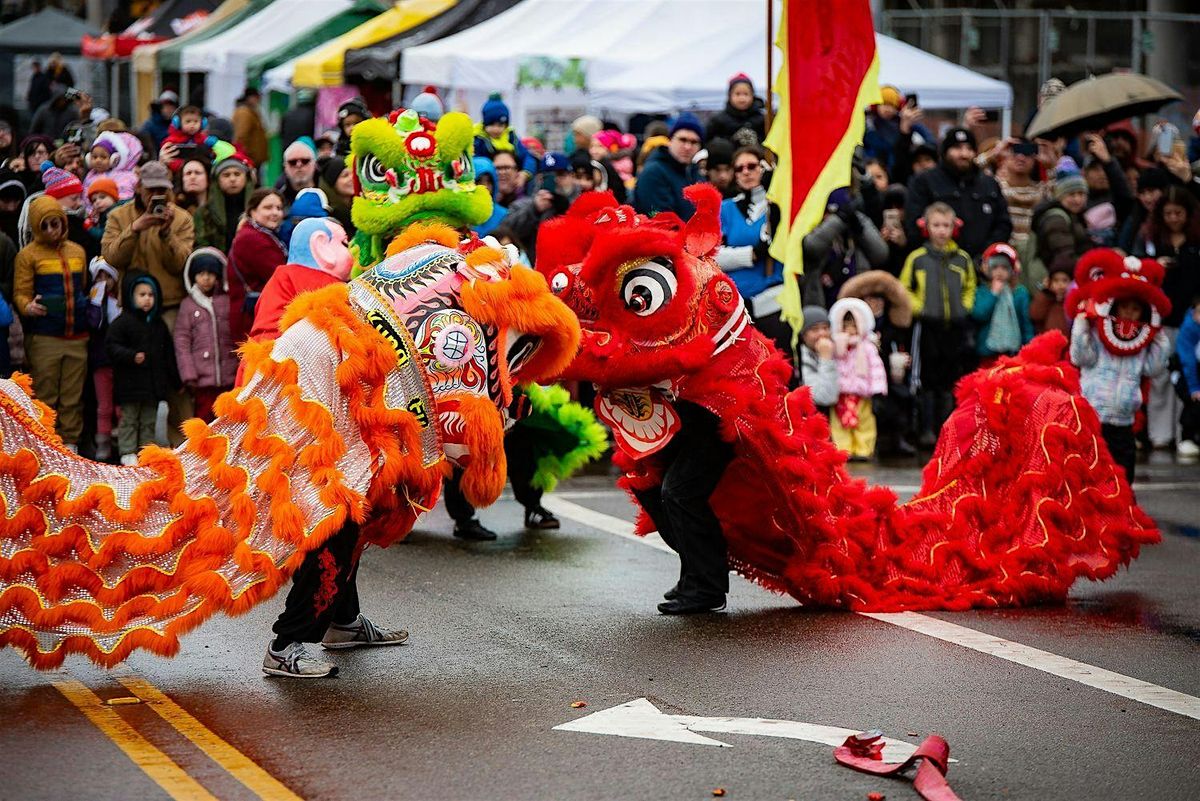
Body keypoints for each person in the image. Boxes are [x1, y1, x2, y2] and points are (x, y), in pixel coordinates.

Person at [1070, 266, 1169, 483]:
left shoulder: (1142, 341)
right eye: (1124, 307)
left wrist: (1157, 334)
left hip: (1124, 422)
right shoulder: (1097, 332)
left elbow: (1154, 368)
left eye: (1135, 309)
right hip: (1093, 416)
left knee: (1123, 478)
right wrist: (1081, 323)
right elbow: (1079, 358)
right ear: (1115, 306)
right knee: (1090, 476)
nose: (1129, 313)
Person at [13, 196, 89, 450]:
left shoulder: (77, 251)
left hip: (77, 336)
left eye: (54, 224)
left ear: (63, 222)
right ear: (35, 227)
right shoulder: (28, 255)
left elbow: (84, 286)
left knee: (72, 396)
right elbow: (20, 293)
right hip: (45, 337)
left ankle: (71, 445)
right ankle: (45, 445)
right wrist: (28, 307)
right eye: (43, 226)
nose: (50, 230)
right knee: (45, 395)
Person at [899, 201, 976, 447]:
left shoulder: (962, 259)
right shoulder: (918, 258)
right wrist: (919, 308)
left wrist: (964, 308)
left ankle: (947, 428)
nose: (941, 230)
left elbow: (970, 287)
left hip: (954, 327)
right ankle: (926, 430)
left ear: (954, 227)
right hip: (926, 327)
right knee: (926, 380)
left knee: (950, 379)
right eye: (936, 225)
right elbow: (904, 288)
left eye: (946, 225)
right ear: (926, 227)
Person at [1134, 185, 1200, 451]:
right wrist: (1153, 266)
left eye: (1179, 213)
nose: (1174, 218)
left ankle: (1183, 431)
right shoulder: (1152, 241)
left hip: (1190, 321)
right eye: (1169, 213)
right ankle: (1159, 434)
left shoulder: (1196, 244)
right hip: (1159, 320)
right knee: (1160, 375)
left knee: (1187, 375)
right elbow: (1135, 269)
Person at [716, 145, 790, 359]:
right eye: (739, 169)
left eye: (751, 166)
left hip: (773, 300)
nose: (746, 172)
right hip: (736, 308)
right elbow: (712, 255)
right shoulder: (725, 208)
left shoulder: (778, 204)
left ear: (763, 168)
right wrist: (752, 254)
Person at [904, 126, 1011, 264]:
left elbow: (1003, 224)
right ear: (945, 151)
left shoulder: (988, 183)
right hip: (937, 264)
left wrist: (986, 255)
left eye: (969, 149)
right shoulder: (924, 181)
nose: (964, 154)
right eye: (957, 148)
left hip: (982, 265)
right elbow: (914, 224)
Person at [107, 274, 179, 465]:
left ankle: (146, 452)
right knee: (129, 419)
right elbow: (112, 346)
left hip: (152, 386)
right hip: (129, 385)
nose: (147, 299)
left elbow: (168, 354)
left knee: (149, 421)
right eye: (142, 294)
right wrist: (131, 356)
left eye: (151, 294)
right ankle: (128, 451)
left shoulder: (158, 324)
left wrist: (175, 380)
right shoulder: (123, 322)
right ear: (131, 296)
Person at [174, 248, 236, 422]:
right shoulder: (188, 305)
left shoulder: (227, 301)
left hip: (228, 376)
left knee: (229, 419)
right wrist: (188, 373)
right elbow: (182, 341)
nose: (206, 278)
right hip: (202, 380)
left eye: (211, 273)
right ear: (193, 276)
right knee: (204, 420)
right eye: (201, 273)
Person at [801, 187, 888, 307]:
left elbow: (881, 254)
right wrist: (838, 220)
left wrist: (859, 228)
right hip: (822, 307)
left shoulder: (857, 221)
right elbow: (811, 247)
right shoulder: (815, 223)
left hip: (857, 306)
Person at [827, 297, 887, 461]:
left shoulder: (867, 346)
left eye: (854, 326)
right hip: (840, 393)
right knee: (839, 423)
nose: (850, 330)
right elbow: (831, 366)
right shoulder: (836, 347)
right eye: (846, 326)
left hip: (862, 393)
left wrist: (877, 388)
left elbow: (876, 368)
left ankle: (863, 449)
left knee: (864, 421)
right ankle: (843, 449)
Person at [227, 188, 286, 344]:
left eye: (279, 208)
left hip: (253, 315)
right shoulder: (252, 239)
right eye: (268, 207)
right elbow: (279, 274)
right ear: (253, 211)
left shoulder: (260, 233)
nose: (275, 213)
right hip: (251, 318)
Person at [506, 152, 578, 262]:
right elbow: (507, 233)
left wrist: (566, 208)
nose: (556, 180)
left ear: (572, 176)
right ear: (540, 179)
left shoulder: (582, 203)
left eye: (561, 174)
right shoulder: (522, 205)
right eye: (549, 176)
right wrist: (534, 210)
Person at [1029, 169, 1092, 294]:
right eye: (1072, 195)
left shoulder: (1073, 216)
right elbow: (1064, 256)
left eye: (1081, 194)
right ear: (1060, 196)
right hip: (1058, 284)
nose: (1078, 199)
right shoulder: (1057, 219)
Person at [972, 242, 1034, 365]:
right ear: (986, 268)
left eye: (1005, 267)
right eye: (995, 267)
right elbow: (979, 314)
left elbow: (1026, 323)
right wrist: (993, 294)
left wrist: (1029, 348)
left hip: (1013, 354)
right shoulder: (983, 291)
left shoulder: (1019, 293)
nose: (999, 271)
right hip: (987, 352)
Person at [633, 113, 702, 219]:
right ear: (670, 140)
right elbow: (658, 217)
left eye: (694, 142)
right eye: (682, 140)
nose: (688, 147)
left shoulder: (695, 172)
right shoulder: (653, 172)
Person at [85, 257, 120, 460]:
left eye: (108, 276)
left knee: (121, 404)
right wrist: (96, 301)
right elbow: (94, 323)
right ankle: (103, 443)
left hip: (120, 360)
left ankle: (123, 441)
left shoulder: (120, 299)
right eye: (100, 276)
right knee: (104, 405)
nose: (104, 280)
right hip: (101, 360)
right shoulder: (93, 300)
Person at [194, 150, 254, 252]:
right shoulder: (204, 213)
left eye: (237, 174)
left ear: (246, 178)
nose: (232, 179)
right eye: (226, 175)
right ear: (218, 180)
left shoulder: (258, 210)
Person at [473, 94, 537, 189]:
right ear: (484, 124)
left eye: (500, 125)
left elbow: (527, 156)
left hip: (512, 184)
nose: (496, 129)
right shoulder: (478, 140)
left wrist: (525, 173)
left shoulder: (511, 137)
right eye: (492, 125)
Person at [705, 73, 766, 148]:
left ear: (753, 95)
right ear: (730, 95)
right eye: (737, 94)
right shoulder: (718, 120)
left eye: (746, 94)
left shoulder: (763, 120)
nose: (742, 98)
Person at [798, 305, 839, 413]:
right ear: (803, 335)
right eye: (814, 329)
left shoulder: (838, 350)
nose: (822, 333)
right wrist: (826, 359)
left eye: (825, 328)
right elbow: (826, 397)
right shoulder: (801, 359)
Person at [1175, 300, 1200, 460]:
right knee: (1193, 406)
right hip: (1189, 377)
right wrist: (1193, 387)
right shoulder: (1189, 329)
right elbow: (1188, 361)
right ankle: (1187, 438)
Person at [160, 105, 217, 173]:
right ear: (178, 123)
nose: (192, 125)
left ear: (202, 123)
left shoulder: (203, 138)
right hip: (178, 172)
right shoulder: (172, 140)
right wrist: (181, 166)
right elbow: (170, 160)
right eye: (188, 121)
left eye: (196, 121)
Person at [276, 138, 318, 214]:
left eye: (305, 161)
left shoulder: (329, 192)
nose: (299, 165)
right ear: (285, 167)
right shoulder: (277, 198)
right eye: (292, 162)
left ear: (314, 164)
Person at [1029, 264, 1072, 336]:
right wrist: (1046, 292)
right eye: (1056, 280)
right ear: (1050, 282)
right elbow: (1035, 315)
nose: (1060, 284)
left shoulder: (1072, 302)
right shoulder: (1047, 299)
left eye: (1065, 281)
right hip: (1048, 342)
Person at [472, 156, 508, 238]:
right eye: (479, 181)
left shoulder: (504, 215)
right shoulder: (461, 216)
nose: (485, 186)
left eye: (489, 181)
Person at [232, 88, 268, 169]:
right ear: (250, 98)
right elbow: (241, 135)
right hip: (249, 158)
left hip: (252, 157)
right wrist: (244, 155)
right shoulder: (244, 113)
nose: (258, 101)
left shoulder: (249, 111)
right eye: (257, 98)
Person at [319, 156, 355, 236]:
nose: (352, 178)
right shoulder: (328, 215)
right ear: (333, 184)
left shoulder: (362, 206)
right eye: (345, 175)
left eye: (354, 173)